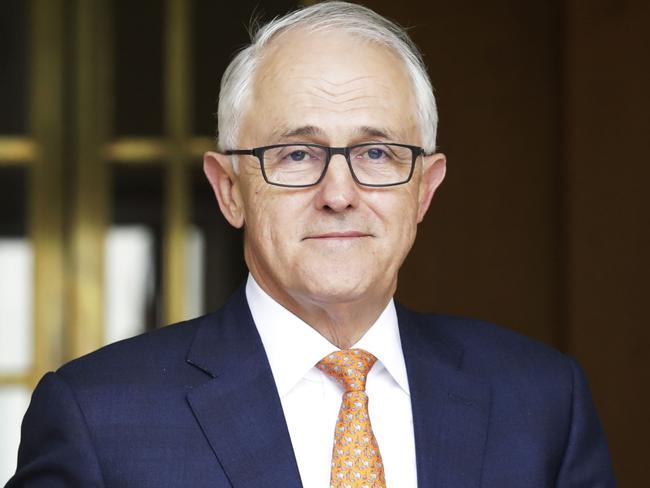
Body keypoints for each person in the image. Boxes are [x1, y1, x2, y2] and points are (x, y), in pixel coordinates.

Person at [8, 2, 615, 487]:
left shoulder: (541, 402)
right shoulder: (98, 418)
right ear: (229, 190)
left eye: (377, 153)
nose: (339, 193)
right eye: (297, 154)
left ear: (425, 190)